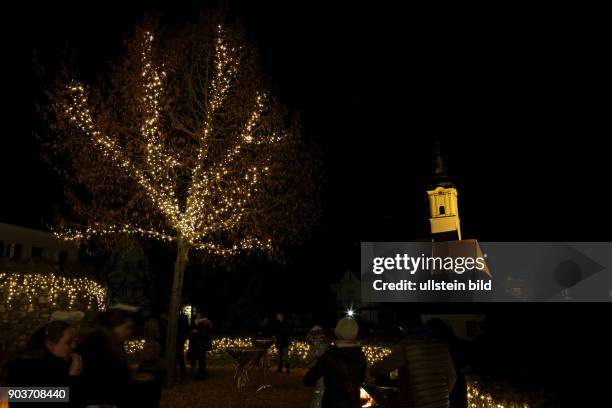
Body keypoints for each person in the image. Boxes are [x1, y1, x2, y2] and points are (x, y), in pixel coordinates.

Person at [370, 312, 457, 408]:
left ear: (404, 327)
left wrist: (370, 370)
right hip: (442, 404)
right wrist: (437, 395)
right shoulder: (441, 346)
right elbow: (452, 376)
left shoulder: (407, 346)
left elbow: (384, 366)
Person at [4, 320, 83, 407]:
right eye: (69, 342)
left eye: (75, 341)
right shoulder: (28, 368)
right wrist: (73, 377)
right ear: (50, 345)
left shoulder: (63, 364)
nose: (74, 346)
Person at [77, 306, 135, 407]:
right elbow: (97, 379)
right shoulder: (96, 344)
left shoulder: (115, 343)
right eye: (127, 327)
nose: (129, 332)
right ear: (115, 326)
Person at [304, 317, 367, 408]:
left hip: (332, 404)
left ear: (338, 331)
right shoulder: (361, 356)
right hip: (353, 403)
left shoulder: (329, 356)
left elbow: (308, 381)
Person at [306, 324, 330, 408]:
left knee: (319, 394)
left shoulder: (321, 346)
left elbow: (314, 357)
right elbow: (309, 359)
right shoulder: (316, 346)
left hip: (321, 374)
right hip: (318, 373)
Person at [189, 316, 213, 380]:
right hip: (199, 345)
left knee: (201, 360)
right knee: (201, 360)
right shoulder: (200, 324)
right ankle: (201, 374)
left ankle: (202, 375)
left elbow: (203, 334)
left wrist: (195, 332)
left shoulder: (203, 324)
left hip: (201, 345)